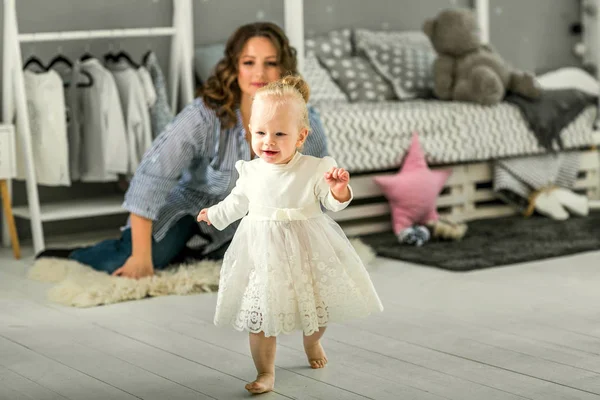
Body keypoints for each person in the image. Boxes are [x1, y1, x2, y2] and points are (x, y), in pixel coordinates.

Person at [37, 22, 328, 278]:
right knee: (142, 257)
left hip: (246, 221)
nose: (260, 73)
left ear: (283, 67)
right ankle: (84, 254)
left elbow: (313, 189)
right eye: (249, 62)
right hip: (189, 210)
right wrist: (140, 257)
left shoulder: (305, 122)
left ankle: (195, 253)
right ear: (234, 66)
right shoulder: (204, 115)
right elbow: (152, 176)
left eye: (271, 63)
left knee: (254, 264)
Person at [196, 75, 383, 394]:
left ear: (301, 136)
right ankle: (265, 372)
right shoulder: (251, 171)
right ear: (249, 132)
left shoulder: (315, 167)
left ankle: (313, 344)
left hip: (306, 247)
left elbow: (331, 202)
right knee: (261, 316)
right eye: (260, 133)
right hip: (262, 252)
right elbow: (237, 202)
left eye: (280, 133)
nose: (268, 141)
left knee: (316, 309)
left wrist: (338, 190)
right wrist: (214, 214)